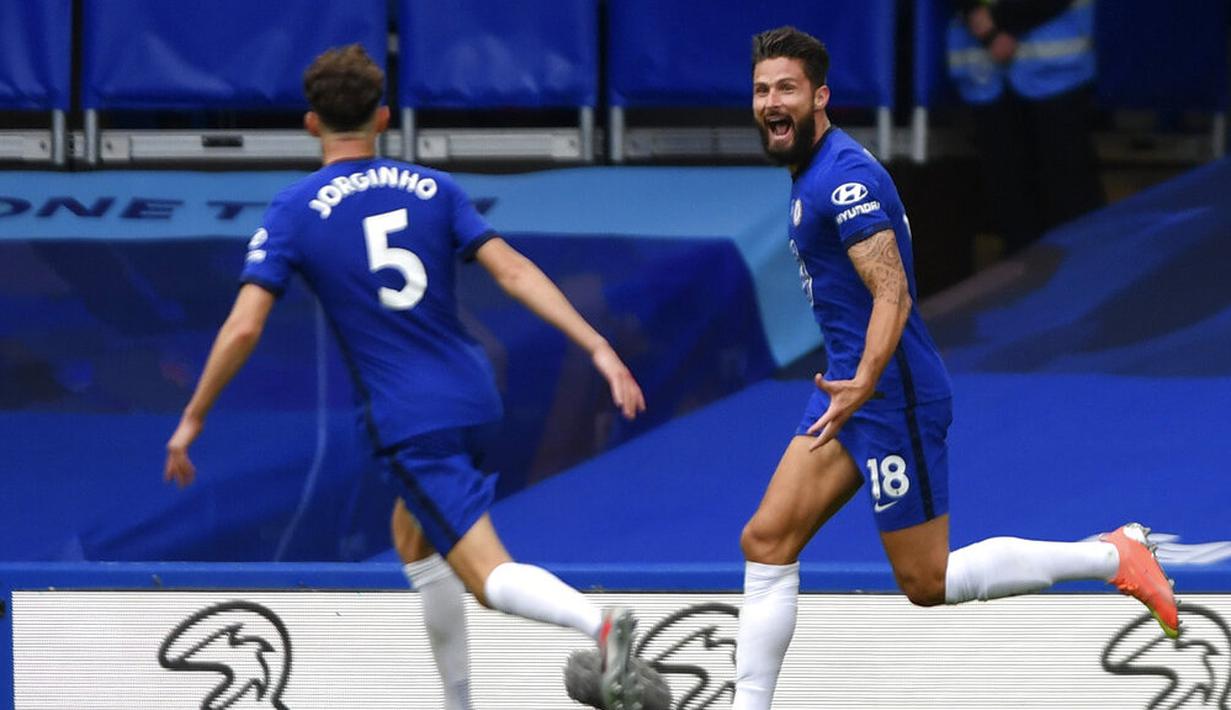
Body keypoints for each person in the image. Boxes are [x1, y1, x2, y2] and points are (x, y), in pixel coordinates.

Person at [163, 44, 650, 710]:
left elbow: (243, 327)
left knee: (485, 575)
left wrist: (193, 417)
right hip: (475, 396)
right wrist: (596, 345)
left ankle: (598, 627)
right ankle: (457, 703)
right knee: (412, 535)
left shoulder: (295, 209)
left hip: (409, 418)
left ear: (311, 123)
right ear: (383, 117)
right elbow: (512, 271)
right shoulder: (433, 188)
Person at [733, 26, 1177, 709]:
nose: (770, 101)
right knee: (766, 540)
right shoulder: (806, 174)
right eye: (762, 89)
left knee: (925, 581)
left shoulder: (843, 181)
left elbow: (892, 291)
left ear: (819, 97)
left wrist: (864, 380)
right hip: (850, 389)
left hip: (887, 397)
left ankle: (1114, 555)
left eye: (785, 88)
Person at [947, 0, 1105, 256]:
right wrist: (985, 26)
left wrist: (999, 24)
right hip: (986, 76)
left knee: (1071, 207)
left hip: (1057, 73)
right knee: (1011, 213)